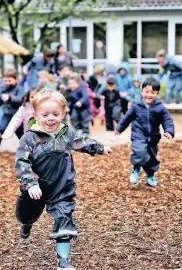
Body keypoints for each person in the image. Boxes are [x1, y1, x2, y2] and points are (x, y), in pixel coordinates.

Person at [14, 88, 112, 270]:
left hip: (61, 187)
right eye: (45, 115)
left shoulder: (65, 134)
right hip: (36, 187)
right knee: (26, 214)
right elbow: (22, 162)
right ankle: (26, 225)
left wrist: (99, 147)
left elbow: (82, 142)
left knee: (64, 217)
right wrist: (30, 183)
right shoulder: (30, 138)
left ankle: (63, 262)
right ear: (35, 115)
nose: (50, 118)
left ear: (63, 114)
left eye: (55, 114)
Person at [115, 77, 175, 187]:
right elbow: (127, 117)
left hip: (153, 137)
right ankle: (136, 168)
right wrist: (119, 128)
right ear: (142, 91)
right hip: (139, 134)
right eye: (146, 92)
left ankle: (150, 174)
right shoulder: (136, 105)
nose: (149, 95)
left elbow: (167, 120)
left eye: (152, 92)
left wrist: (169, 131)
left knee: (152, 158)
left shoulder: (160, 107)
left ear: (157, 93)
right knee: (140, 152)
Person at [0, 69, 25, 150]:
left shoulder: (20, 89)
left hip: (17, 116)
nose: (7, 83)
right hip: (7, 114)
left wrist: (10, 98)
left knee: (21, 134)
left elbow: (20, 99)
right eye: (5, 81)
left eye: (9, 80)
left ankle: (25, 149)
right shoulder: (3, 88)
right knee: (1, 129)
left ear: (16, 79)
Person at [67, 73, 91, 137]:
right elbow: (70, 101)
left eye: (72, 83)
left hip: (84, 107)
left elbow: (85, 96)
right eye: (69, 84)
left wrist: (80, 102)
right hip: (76, 107)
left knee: (84, 119)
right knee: (73, 117)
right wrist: (68, 106)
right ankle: (75, 128)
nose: (70, 85)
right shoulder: (71, 91)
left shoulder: (81, 88)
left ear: (77, 82)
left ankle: (85, 131)